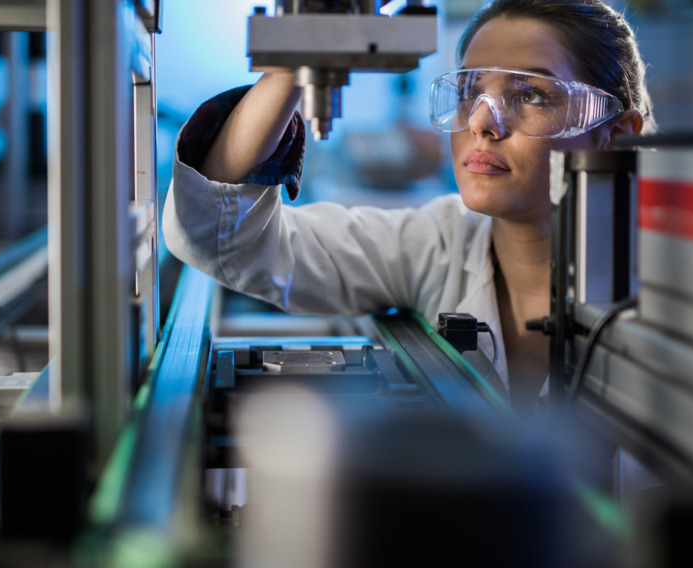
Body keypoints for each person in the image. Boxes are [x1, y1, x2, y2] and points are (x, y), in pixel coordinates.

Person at [162, 0, 653, 416]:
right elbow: (217, 232)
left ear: (616, 134)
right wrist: (299, 56)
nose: (483, 122)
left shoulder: (685, 294)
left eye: (530, 94)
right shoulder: (435, 244)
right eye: (469, 92)